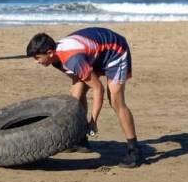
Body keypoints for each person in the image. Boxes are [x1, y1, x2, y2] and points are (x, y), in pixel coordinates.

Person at [26, 28, 141, 168]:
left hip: (115, 51)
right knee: (76, 95)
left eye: (37, 57)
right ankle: (81, 139)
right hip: (94, 54)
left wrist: (93, 122)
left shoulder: (72, 59)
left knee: (116, 101)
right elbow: (78, 81)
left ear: (49, 53)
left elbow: (98, 88)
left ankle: (133, 149)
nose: (35, 62)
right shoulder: (56, 59)